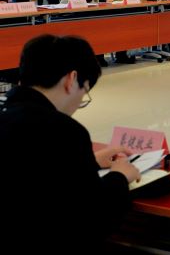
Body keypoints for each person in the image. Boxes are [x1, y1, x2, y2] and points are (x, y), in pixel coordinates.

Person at [0, 35, 141, 254]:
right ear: (71, 79)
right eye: (84, 92)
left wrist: (89, 162)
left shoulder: (7, 116)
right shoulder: (64, 131)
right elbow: (93, 220)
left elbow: (35, 172)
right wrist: (120, 176)